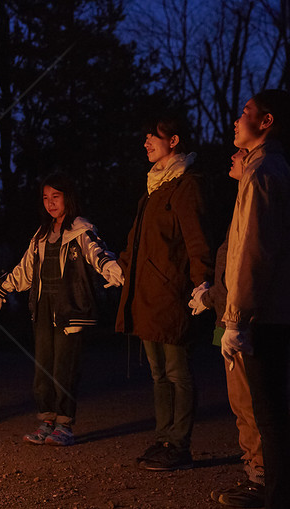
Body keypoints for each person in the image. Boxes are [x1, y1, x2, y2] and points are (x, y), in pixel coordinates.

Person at [217, 90, 290, 509]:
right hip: (276, 309)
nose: (238, 119)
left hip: (265, 313)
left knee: (268, 413)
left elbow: (252, 251)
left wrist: (235, 319)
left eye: (246, 112)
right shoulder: (271, 168)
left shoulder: (263, 172)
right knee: (271, 411)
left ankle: (278, 496)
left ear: (266, 120)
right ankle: (279, 493)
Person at [0, 173, 124, 446]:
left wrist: (110, 267)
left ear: (68, 198)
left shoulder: (80, 229)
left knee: (65, 368)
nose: (51, 203)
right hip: (43, 309)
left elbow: (96, 252)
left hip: (70, 309)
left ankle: (65, 426)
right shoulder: (41, 234)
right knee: (43, 368)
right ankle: (46, 422)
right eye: (46, 198)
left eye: (56, 197)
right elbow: (25, 270)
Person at [116, 116, 213, 471]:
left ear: (173, 141)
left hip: (171, 293)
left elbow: (196, 238)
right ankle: (163, 438)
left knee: (177, 371)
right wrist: (120, 267)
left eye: (152, 137)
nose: (145, 143)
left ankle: (179, 443)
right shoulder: (153, 188)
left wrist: (203, 281)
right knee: (157, 373)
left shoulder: (186, 185)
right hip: (145, 294)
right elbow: (137, 241)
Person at [190, 148, 267, 507]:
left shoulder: (258, 189)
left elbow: (243, 265)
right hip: (229, 317)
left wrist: (214, 300)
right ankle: (256, 471)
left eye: (241, 153)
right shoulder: (241, 200)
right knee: (241, 404)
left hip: (241, 320)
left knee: (249, 403)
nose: (233, 157)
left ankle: (261, 478)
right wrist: (212, 296)